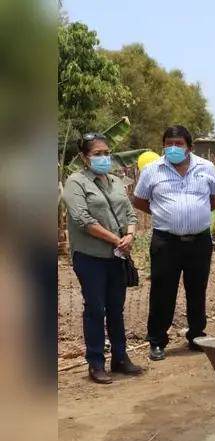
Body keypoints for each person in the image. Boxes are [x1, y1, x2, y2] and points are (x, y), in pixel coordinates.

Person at [132, 125, 215, 361]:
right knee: (163, 291)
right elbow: (140, 200)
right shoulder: (152, 170)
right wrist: (165, 214)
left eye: (179, 144)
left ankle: (196, 336)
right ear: (162, 146)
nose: (173, 148)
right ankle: (157, 341)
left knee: (197, 289)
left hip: (199, 241)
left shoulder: (206, 167)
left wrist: (195, 214)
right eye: (169, 143)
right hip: (166, 242)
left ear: (190, 147)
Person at [61, 132, 145, 384]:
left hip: (118, 256)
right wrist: (115, 239)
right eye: (97, 154)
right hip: (90, 257)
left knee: (116, 308)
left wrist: (129, 235)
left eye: (106, 153)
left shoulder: (116, 181)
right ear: (84, 158)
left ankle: (120, 358)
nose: (104, 158)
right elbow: (82, 220)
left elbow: (131, 213)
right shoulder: (75, 182)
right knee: (95, 309)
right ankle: (95, 363)